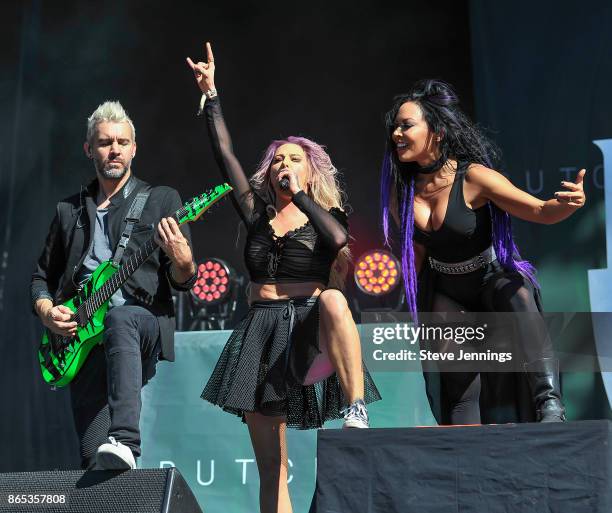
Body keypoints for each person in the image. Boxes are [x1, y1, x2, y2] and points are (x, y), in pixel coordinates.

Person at [187, 43, 380, 513]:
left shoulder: (326, 212)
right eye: (277, 161)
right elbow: (225, 154)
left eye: (294, 160)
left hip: (308, 330)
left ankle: (355, 410)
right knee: (272, 469)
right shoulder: (255, 212)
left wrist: (305, 199)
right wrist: (211, 95)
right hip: (261, 330)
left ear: (309, 171)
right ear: (268, 173)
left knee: (334, 301)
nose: (284, 166)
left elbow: (337, 241)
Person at [380, 79, 586, 425]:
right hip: (446, 288)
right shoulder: (402, 191)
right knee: (459, 388)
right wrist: (414, 304)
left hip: (490, 278)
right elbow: (416, 251)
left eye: (406, 125)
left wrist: (568, 205)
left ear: (438, 131)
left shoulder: (474, 178)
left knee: (518, 293)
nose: (397, 134)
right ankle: (467, 456)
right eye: (395, 127)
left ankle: (550, 406)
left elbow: (540, 211)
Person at [31, 101, 196, 470]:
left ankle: (125, 439)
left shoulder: (161, 200)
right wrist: (46, 311)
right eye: (105, 142)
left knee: (121, 318)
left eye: (123, 141)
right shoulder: (68, 211)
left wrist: (184, 262)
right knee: (94, 458)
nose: (115, 149)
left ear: (134, 148)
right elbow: (41, 278)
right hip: (82, 337)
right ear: (89, 149)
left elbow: (183, 279)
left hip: (142, 322)